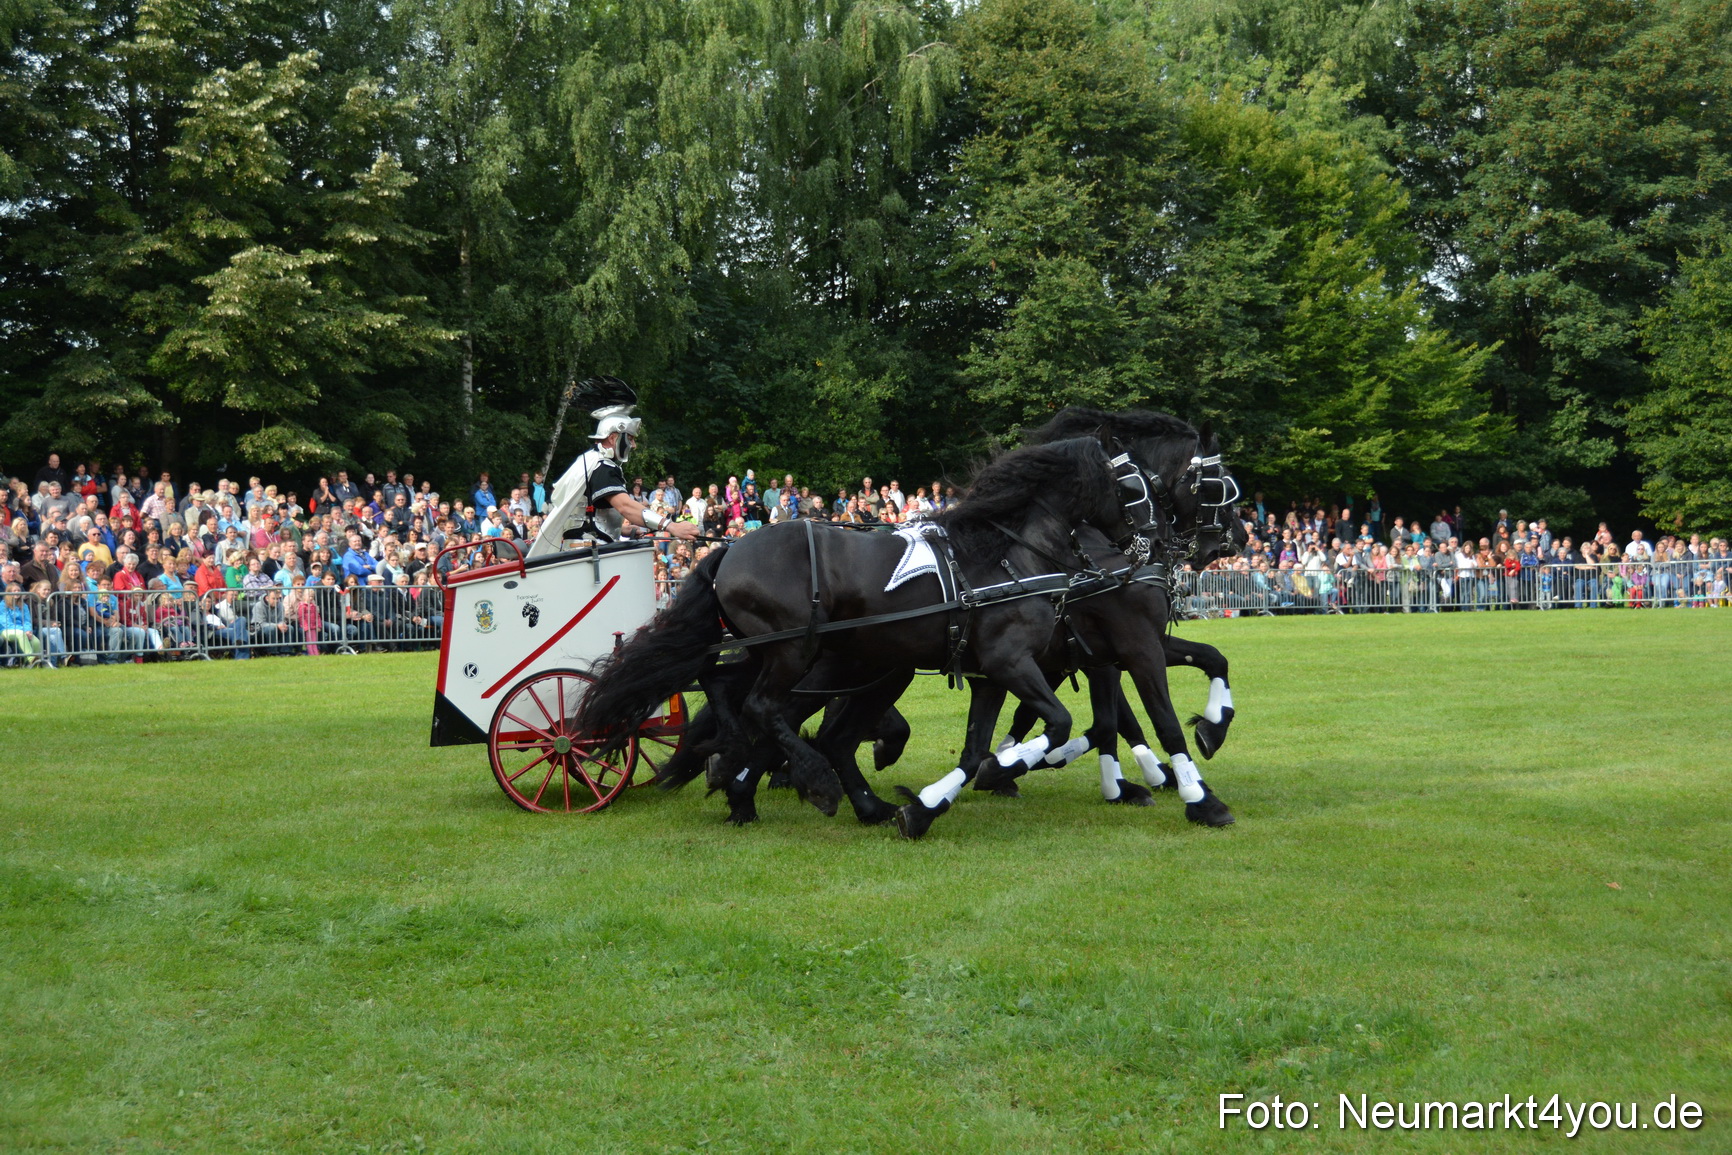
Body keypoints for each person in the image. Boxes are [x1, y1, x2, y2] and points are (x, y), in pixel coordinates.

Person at [532, 377, 698, 557]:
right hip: (589, 554)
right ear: (613, 438)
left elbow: (587, 516)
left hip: (583, 548)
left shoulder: (588, 460)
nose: (633, 445)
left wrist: (623, 530)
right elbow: (625, 506)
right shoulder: (602, 466)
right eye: (631, 438)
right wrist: (671, 526)